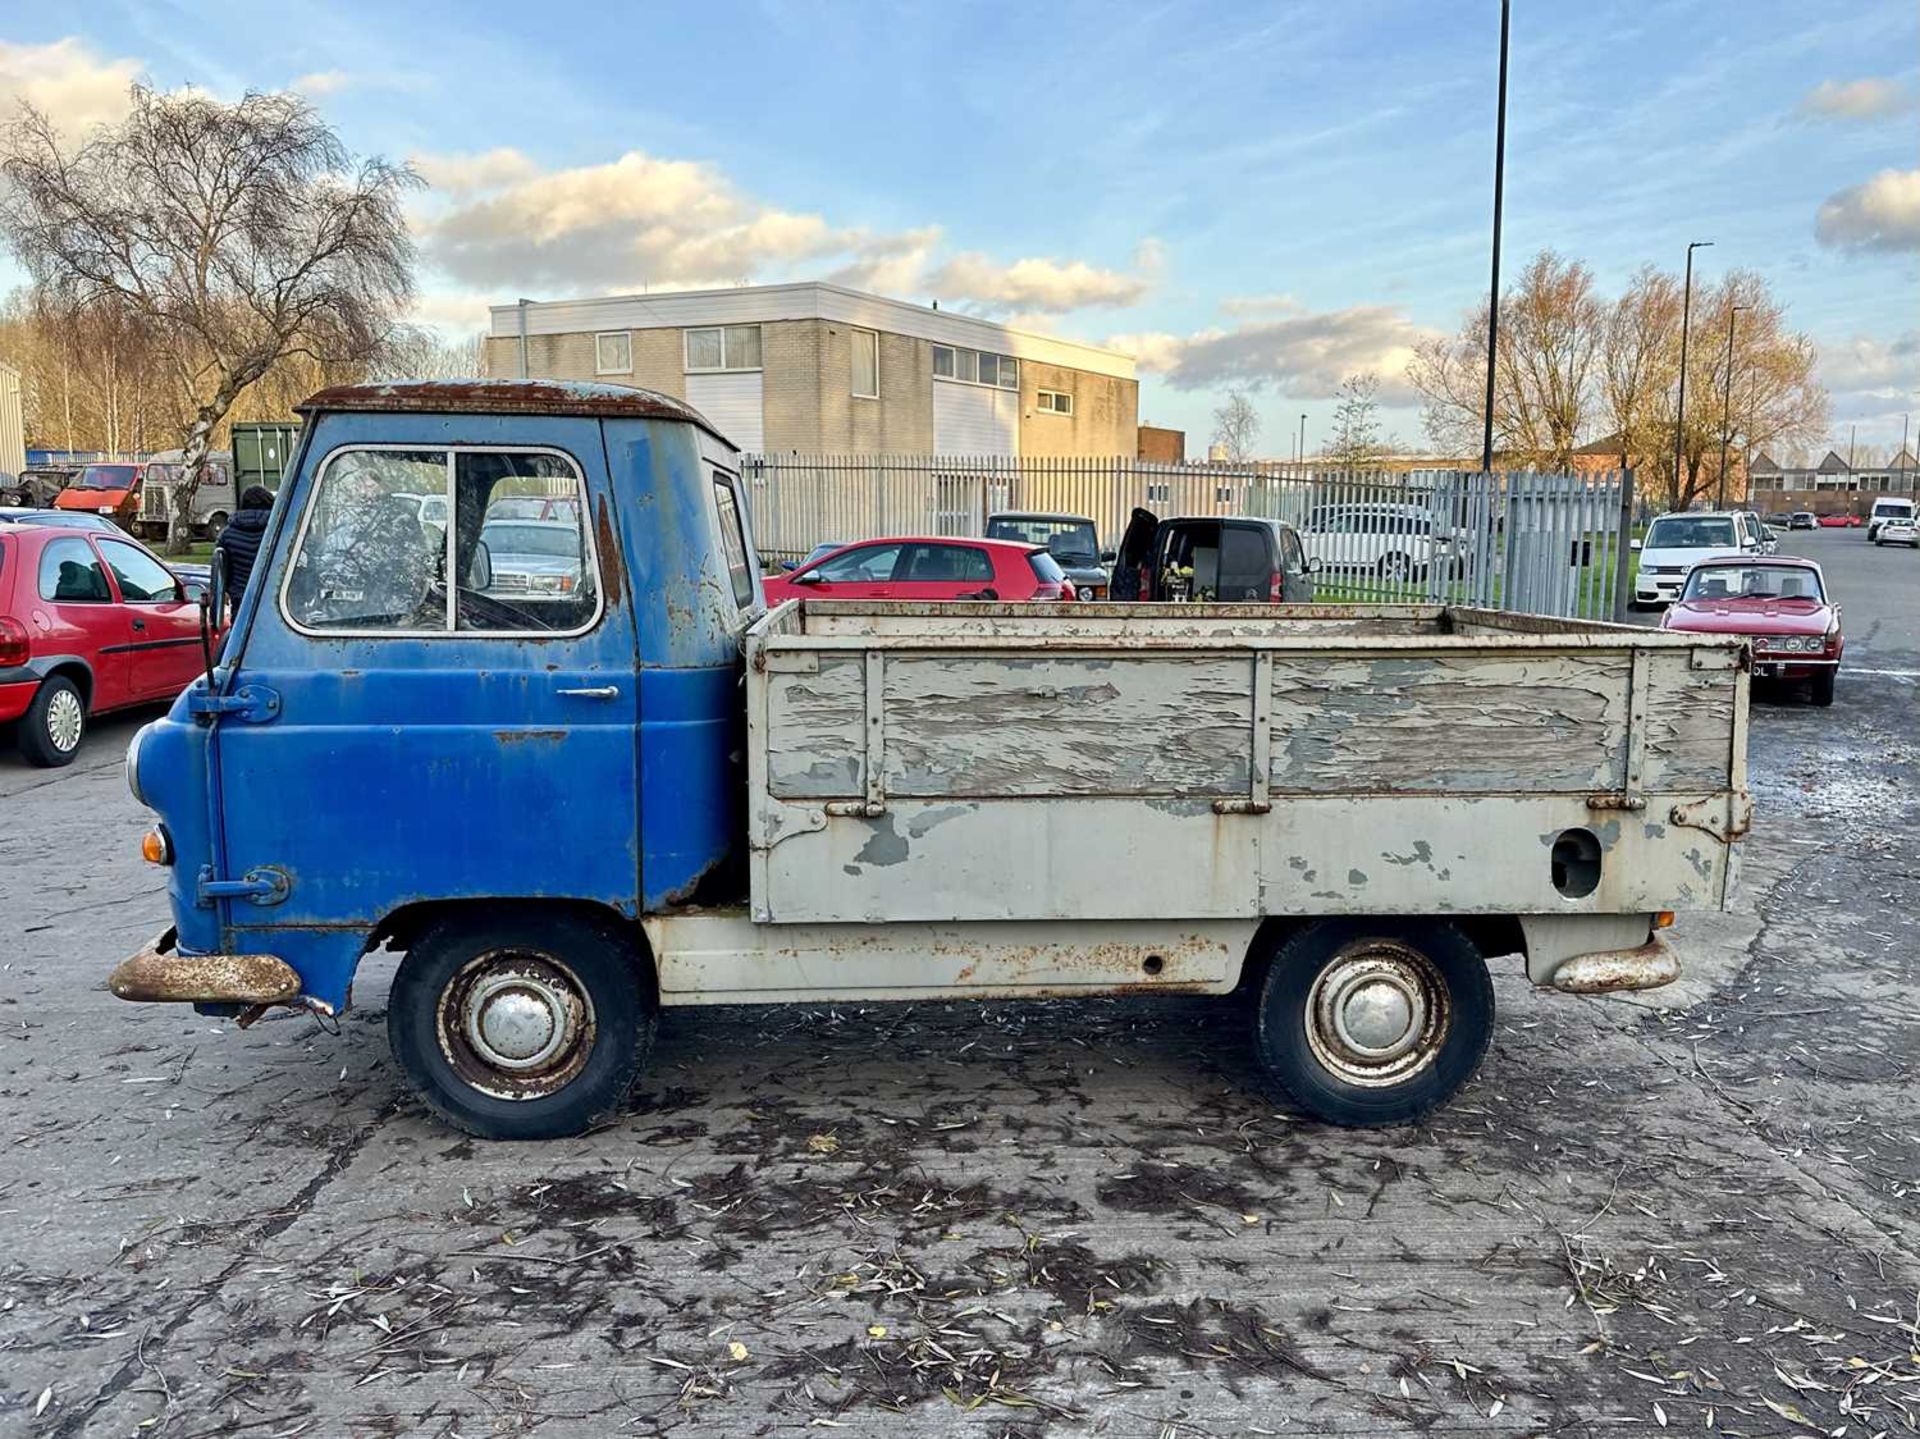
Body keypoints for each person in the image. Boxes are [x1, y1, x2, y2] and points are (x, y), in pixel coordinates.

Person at [213, 485, 274, 615]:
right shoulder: (278, 531)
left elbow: (222, 569)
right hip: (273, 595)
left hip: (241, 598)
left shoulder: (227, 534)